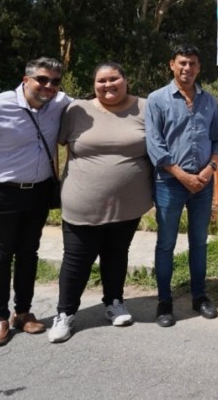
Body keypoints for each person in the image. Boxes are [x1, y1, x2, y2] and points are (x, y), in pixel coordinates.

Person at [0, 57, 70, 347]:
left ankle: (22, 313)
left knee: (29, 253)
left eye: (55, 81)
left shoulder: (59, 104)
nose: (49, 86)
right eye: (42, 79)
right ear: (26, 80)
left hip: (37, 192)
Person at [47, 62, 153, 342]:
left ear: (125, 79)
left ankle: (114, 302)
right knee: (76, 258)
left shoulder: (145, 107)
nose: (108, 85)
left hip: (129, 202)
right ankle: (65, 314)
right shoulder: (76, 110)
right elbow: (57, 143)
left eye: (114, 79)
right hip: (81, 200)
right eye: (102, 81)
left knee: (117, 253)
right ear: (94, 84)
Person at [145, 44, 218, 327]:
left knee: (199, 242)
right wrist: (182, 175)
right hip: (169, 182)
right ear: (172, 65)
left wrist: (210, 168)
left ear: (199, 68)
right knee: (166, 243)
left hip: (203, 182)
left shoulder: (209, 101)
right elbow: (154, 144)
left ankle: (199, 296)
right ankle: (164, 302)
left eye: (192, 63)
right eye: (182, 63)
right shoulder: (156, 100)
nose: (187, 68)